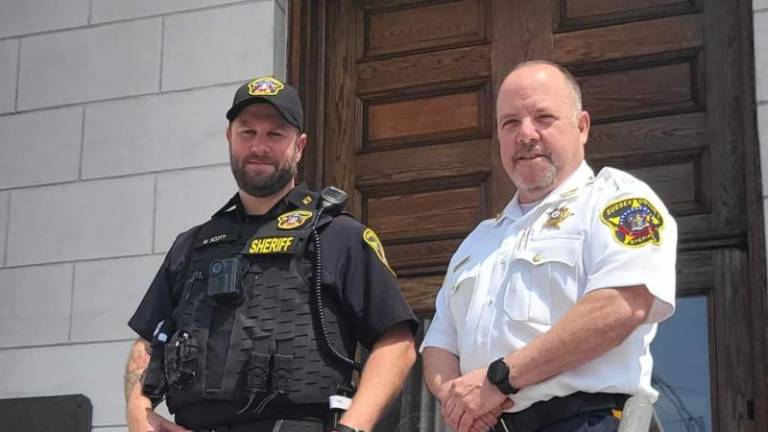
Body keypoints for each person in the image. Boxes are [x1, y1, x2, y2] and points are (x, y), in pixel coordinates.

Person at [124, 76, 418, 432]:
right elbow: (149, 338)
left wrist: (353, 428)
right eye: (248, 132)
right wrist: (139, 415)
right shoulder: (191, 246)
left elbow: (396, 342)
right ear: (229, 138)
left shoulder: (337, 236)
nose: (259, 146)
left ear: (299, 146)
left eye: (275, 134)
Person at [421, 60, 677, 432]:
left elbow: (622, 306)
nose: (526, 134)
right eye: (510, 123)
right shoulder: (478, 241)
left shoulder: (616, 202)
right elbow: (439, 344)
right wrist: (458, 401)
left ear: (582, 126)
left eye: (543, 117)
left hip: (584, 421)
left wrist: (498, 381)